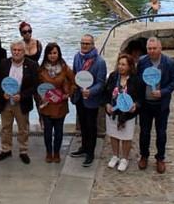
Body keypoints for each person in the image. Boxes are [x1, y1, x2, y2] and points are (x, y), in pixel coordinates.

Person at [137, 37, 174, 174]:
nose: (152, 51)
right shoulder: (142, 61)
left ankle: (160, 158)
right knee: (144, 132)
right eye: (149, 48)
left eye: (154, 48)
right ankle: (144, 156)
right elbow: (138, 80)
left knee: (161, 133)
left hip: (161, 104)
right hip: (145, 104)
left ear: (160, 48)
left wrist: (163, 92)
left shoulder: (169, 62)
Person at [0, 41, 40, 164]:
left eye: (19, 50)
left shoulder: (32, 65)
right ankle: (6, 149)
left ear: (24, 52)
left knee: (23, 128)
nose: (16, 52)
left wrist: (22, 96)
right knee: (5, 127)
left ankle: (23, 151)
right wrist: (2, 93)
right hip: (6, 101)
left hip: (22, 102)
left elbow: (35, 85)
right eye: (14, 50)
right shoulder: (4, 63)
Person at [70, 34, 107, 168]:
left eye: (87, 44)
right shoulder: (76, 57)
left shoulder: (99, 62)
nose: (84, 46)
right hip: (80, 97)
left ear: (93, 45)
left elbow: (101, 83)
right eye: (82, 43)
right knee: (83, 125)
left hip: (92, 99)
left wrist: (90, 91)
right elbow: (75, 75)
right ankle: (84, 147)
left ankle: (90, 153)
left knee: (91, 127)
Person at [103, 54, 142, 172]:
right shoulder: (113, 77)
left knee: (126, 136)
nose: (120, 67)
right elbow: (106, 93)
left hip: (127, 115)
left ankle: (124, 158)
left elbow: (140, 97)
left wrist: (135, 105)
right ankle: (115, 155)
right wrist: (107, 104)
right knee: (113, 134)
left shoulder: (135, 79)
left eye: (123, 64)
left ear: (130, 66)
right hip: (113, 112)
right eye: (119, 64)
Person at [37, 42, 74, 163]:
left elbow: (74, 82)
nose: (52, 55)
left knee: (59, 131)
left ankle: (57, 152)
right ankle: (48, 152)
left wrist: (68, 93)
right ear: (46, 55)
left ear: (58, 54)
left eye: (54, 53)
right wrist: (41, 96)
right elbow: (37, 86)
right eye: (50, 53)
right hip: (46, 104)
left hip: (60, 104)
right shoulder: (41, 69)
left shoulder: (65, 68)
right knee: (47, 131)